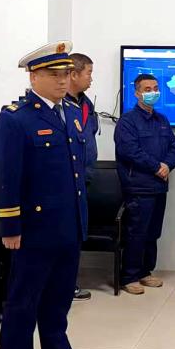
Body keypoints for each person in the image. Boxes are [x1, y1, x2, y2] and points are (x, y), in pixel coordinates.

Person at [0, 41, 97, 349]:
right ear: (33, 76)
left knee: (58, 300)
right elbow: (5, 177)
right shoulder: (15, 118)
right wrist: (9, 227)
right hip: (33, 231)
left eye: (66, 73)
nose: (63, 80)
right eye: (54, 74)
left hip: (68, 226)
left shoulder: (70, 113)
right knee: (22, 303)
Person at [114, 74, 175, 295]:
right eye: (147, 89)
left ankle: (145, 272)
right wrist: (156, 167)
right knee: (136, 232)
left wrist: (167, 165)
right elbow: (129, 151)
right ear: (137, 93)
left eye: (155, 88)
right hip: (138, 187)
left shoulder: (162, 120)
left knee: (153, 233)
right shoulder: (127, 121)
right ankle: (129, 276)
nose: (152, 92)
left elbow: (174, 148)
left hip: (159, 186)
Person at [65, 52, 97, 301]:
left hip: (83, 180)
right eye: (89, 73)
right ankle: (64, 285)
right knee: (64, 235)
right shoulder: (60, 107)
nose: (91, 79)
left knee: (77, 233)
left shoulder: (86, 105)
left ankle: (70, 283)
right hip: (65, 182)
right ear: (74, 74)